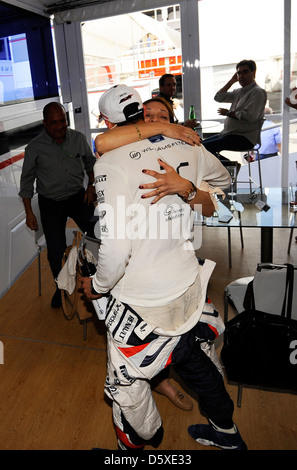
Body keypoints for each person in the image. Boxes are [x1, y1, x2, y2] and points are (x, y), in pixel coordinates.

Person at [81, 84, 247, 451]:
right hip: (188, 285)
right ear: (143, 113)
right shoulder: (188, 144)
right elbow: (222, 185)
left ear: (106, 121)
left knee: (128, 386)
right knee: (192, 359)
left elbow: (117, 247)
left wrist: (98, 285)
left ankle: (140, 443)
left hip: (141, 303)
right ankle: (227, 431)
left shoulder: (109, 163)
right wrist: (191, 187)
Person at [19, 102, 96, 308]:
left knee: (99, 234)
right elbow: (26, 183)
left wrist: (91, 187)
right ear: (45, 123)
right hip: (50, 204)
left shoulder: (78, 139)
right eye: (54, 122)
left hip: (79, 198)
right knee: (55, 251)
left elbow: (91, 165)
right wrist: (28, 213)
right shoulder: (35, 148)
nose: (60, 126)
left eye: (62, 120)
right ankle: (60, 288)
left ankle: (101, 282)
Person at [203, 60, 267, 163]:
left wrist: (229, 113)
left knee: (204, 148)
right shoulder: (239, 92)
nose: (241, 76)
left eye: (245, 72)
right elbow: (218, 97)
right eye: (239, 73)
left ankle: (229, 168)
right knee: (200, 146)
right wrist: (231, 81)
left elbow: (250, 116)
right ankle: (230, 166)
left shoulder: (257, 92)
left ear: (253, 73)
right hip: (229, 134)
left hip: (244, 138)